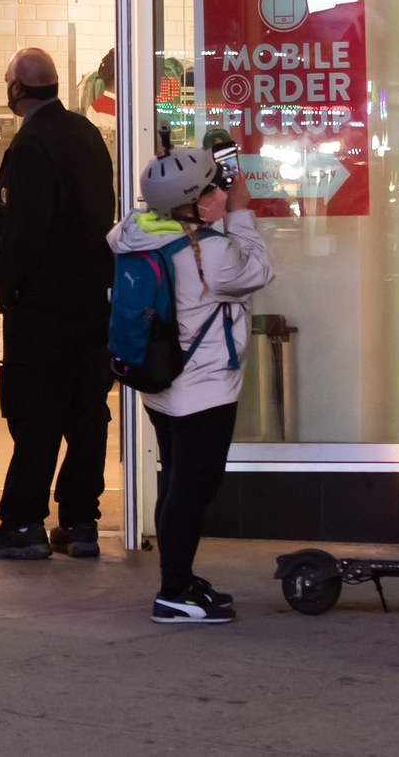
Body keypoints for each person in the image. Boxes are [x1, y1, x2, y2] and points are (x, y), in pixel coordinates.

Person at [111, 142, 271, 623]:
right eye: (216, 187)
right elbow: (261, 268)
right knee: (192, 490)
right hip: (203, 389)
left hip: (160, 384)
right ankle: (173, 593)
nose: (225, 191)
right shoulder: (213, 255)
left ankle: (179, 578)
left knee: (176, 483)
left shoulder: (135, 234)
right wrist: (241, 216)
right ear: (197, 203)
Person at [0, 46, 115, 562]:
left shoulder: (31, 144)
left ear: (15, 90)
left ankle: (23, 522)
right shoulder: (87, 135)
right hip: (93, 305)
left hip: (43, 310)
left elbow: (25, 232)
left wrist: (6, 288)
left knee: (36, 414)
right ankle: (80, 522)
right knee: (87, 414)